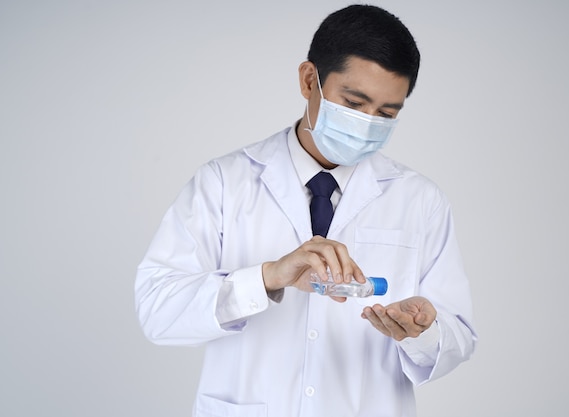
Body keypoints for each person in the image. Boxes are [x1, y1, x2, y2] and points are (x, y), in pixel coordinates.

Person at [136, 4, 477, 417]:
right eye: (354, 103)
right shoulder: (223, 183)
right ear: (309, 79)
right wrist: (266, 278)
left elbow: (457, 337)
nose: (368, 123)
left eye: (386, 114)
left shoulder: (420, 200)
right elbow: (157, 311)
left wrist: (422, 331)